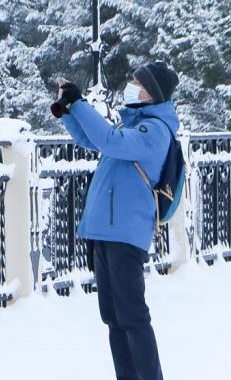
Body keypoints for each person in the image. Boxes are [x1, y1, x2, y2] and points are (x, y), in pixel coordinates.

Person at [51, 61, 181, 380]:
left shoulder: (154, 131)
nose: (131, 86)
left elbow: (109, 141)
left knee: (132, 316)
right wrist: (69, 110)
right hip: (105, 231)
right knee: (113, 316)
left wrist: (80, 103)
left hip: (126, 233)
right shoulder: (133, 127)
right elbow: (93, 141)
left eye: (138, 83)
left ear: (152, 94)